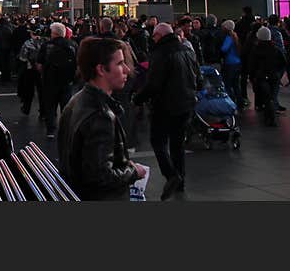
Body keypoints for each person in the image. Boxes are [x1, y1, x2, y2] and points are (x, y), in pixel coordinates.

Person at [57, 36, 147, 200]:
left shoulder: (77, 100)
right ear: (101, 69)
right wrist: (134, 172)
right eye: (119, 64)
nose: (126, 70)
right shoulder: (100, 116)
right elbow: (100, 176)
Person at [133, 22, 202, 200]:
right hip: (186, 104)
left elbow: (154, 83)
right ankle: (181, 180)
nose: (153, 39)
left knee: (158, 141)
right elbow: (198, 78)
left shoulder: (160, 53)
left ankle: (171, 175)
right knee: (178, 143)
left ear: (160, 35)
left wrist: (138, 98)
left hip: (165, 106)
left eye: (154, 36)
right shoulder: (187, 51)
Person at [37, 22, 78, 138]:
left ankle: (51, 129)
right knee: (66, 106)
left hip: (50, 80)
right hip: (67, 80)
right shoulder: (72, 45)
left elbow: (39, 64)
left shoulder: (47, 45)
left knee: (50, 105)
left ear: (54, 33)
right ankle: (66, 129)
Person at [247, 27, 286, 126]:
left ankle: (268, 117)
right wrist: (278, 73)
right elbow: (283, 62)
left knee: (266, 98)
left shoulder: (255, 50)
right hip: (273, 76)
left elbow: (252, 65)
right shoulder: (275, 49)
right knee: (272, 97)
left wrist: (252, 77)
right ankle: (271, 118)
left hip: (261, 77)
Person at [219, 19, 243, 105]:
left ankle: (231, 102)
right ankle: (240, 102)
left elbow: (224, 49)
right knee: (236, 84)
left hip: (230, 64)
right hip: (237, 62)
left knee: (228, 84)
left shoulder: (229, 38)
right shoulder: (235, 36)